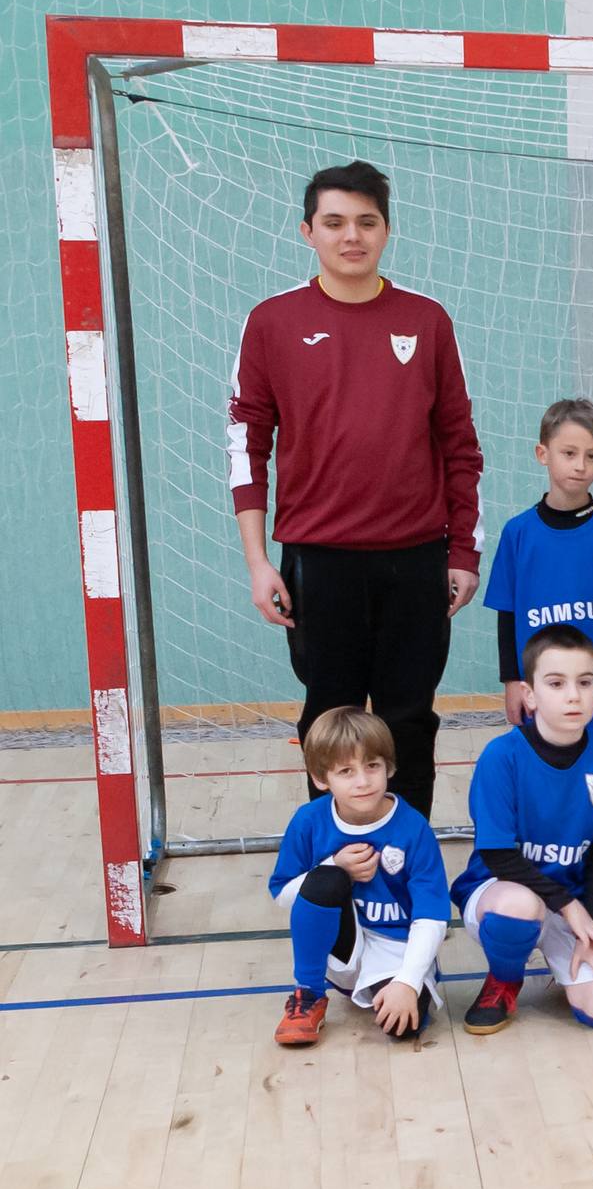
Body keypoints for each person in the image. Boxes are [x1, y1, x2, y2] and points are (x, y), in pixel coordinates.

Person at [228, 160, 484, 817]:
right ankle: (336, 867)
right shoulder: (271, 322)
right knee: (331, 719)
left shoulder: (427, 321)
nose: (352, 236)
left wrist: (462, 555)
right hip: (320, 561)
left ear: (386, 231)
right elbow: (246, 447)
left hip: (415, 559)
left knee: (407, 719)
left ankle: (408, 866)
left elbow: (461, 447)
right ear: (307, 231)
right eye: (335, 222)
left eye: (367, 222)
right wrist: (259, 563)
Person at [452, 624, 593, 1035]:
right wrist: (571, 909)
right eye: (556, 683)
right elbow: (498, 854)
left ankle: (562, 960)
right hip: (504, 890)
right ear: (529, 695)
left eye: (584, 682)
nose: (573, 694)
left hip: (573, 898)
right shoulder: (501, 757)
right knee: (520, 907)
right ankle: (504, 977)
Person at [266, 706, 448, 1045]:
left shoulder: (413, 829)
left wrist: (408, 981)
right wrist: (337, 865)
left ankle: (400, 984)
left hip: (396, 948)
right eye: (346, 771)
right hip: (340, 947)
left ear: (389, 767)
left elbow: (432, 916)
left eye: (372, 766)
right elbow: (283, 896)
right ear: (321, 779)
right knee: (326, 878)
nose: (363, 781)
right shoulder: (308, 821)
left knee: (403, 1027)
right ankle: (308, 993)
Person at [483, 398, 593, 735]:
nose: (580, 465)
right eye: (569, 453)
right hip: (540, 690)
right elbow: (507, 615)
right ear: (542, 454)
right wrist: (512, 680)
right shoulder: (518, 532)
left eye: (592, 456)